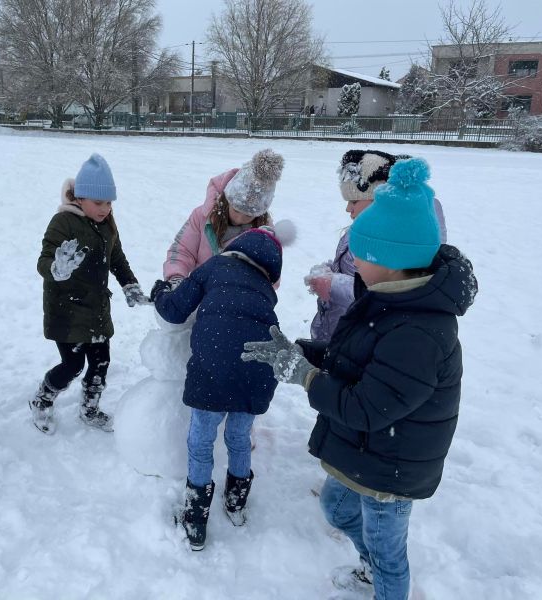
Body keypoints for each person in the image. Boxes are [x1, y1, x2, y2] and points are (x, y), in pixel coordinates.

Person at [242, 157, 477, 599]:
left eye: (359, 256)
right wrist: (302, 353)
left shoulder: (419, 332)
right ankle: (372, 567)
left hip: (392, 467)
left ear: (387, 260)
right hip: (369, 450)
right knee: (336, 507)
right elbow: (354, 359)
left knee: (388, 553)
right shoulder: (386, 298)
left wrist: (306, 377)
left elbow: (368, 407)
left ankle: (382, 581)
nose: (352, 265)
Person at [151, 228, 283, 551]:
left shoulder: (216, 265)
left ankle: (195, 520)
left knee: (201, 441)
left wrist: (160, 292)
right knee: (238, 438)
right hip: (258, 369)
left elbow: (174, 309)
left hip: (216, 365)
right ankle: (236, 504)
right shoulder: (265, 287)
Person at [31, 153, 149, 435]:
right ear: (80, 198)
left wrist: (130, 284)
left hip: (96, 310)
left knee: (100, 362)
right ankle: (42, 398)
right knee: (72, 365)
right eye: (98, 202)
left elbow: (116, 258)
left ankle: (90, 408)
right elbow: (44, 260)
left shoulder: (107, 224)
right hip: (67, 311)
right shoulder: (63, 222)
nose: (105, 209)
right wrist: (57, 268)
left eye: (109, 203)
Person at [306, 149, 448, 342]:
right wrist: (331, 271)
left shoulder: (401, 242)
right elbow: (357, 271)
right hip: (342, 331)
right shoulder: (363, 230)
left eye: (354, 200)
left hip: (361, 337)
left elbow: (391, 293)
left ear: (379, 199)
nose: (348, 208)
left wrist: (333, 284)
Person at [163, 148, 284, 288]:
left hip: (232, 298)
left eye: (248, 215)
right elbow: (182, 250)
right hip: (195, 293)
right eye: (236, 209)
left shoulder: (265, 237)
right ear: (227, 200)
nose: (239, 219)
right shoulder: (202, 216)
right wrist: (176, 278)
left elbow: (271, 279)